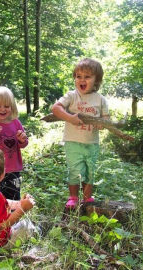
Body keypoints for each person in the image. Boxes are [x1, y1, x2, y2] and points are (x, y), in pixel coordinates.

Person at [51, 58, 110, 209]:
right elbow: (56, 108)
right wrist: (70, 118)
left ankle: (87, 198)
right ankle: (73, 197)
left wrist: (101, 123)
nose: (82, 80)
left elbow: (106, 120)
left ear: (97, 80)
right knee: (76, 170)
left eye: (87, 77)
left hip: (91, 143)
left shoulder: (100, 99)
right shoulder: (71, 96)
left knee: (90, 170)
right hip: (73, 141)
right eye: (78, 76)